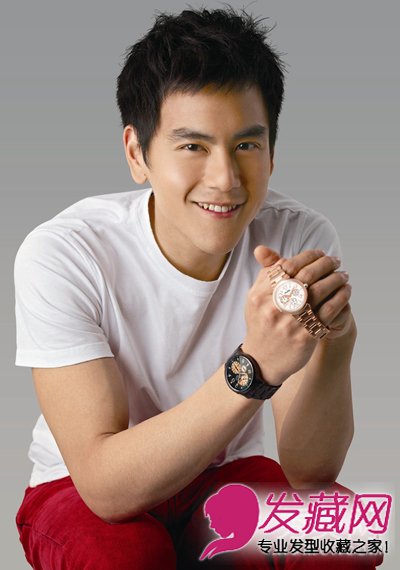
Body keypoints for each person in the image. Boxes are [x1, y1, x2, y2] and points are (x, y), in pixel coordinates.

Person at [14, 6, 383, 569]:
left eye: (246, 145)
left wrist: (336, 345)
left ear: (273, 152)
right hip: (80, 489)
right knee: (127, 556)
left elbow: (310, 473)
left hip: (221, 474)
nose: (225, 180)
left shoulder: (298, 235)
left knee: (342, 539)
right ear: (137, 153)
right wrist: (254, 367)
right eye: (193, 147)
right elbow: (105, 488)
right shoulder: (65, 252)